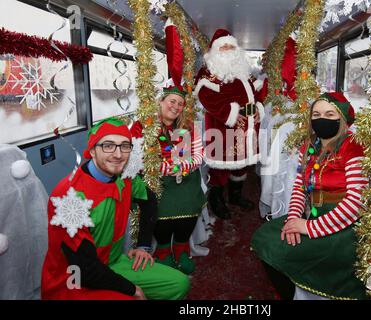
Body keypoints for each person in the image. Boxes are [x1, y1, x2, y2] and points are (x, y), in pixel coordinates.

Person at [41, 117, 190, 300]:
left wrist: (143, 246)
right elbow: (86, 270)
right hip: (73, 279)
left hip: (112, 262)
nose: (118, 154)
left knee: (179, 284)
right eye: (108, 146)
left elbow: (149, 201)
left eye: (124, 146)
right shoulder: (69, 196)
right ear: (93, 151)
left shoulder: (125, 178)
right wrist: (132, 289)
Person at [251, 92, 369, 300]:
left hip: (344, 224)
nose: (321, 119)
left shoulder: (353, 146)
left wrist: (308, 227)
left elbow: (356, 202)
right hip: (312, 213)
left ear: (342, 119)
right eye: (316, 114)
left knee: (282, 250)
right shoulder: (309, 146)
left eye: (329, 114)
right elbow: (299, 188)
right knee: (264, 237)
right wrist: (294, 219)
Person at [130, 84, 205, 275]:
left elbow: (199, 156)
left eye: (180, 104)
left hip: (185, 177)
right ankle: (163, 250)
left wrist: (180, 167)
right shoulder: (142, 126)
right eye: (172, 101)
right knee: (158, 205)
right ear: (160, 102)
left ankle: (181, 248)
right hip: (157, 179)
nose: (176, 106)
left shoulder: (188, 126)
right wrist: (163, 168)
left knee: (190, 201)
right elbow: (136, 158)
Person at [195, 28, 265, 219]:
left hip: (247, 128)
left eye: (231, 46)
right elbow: (206, 97)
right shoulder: (207, 72)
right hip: (222, 127)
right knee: (220, 167)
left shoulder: (244, 71)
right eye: (223, 46)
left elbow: (256, 93)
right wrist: (231, 115)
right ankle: (216, 201)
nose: (227, 50)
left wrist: (259, 107)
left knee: (241, 165)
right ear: (215, 50)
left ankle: (235, 196)